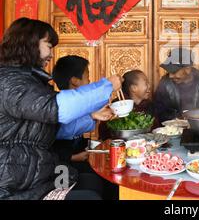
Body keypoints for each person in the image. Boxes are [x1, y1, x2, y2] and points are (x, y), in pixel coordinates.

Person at [0, 18, 122, 200]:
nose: (51, 54)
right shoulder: (11, 83)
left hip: (38, 173)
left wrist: (92, 117)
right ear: (30, 43)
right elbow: (58, 107)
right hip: (15, 183)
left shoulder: (28, 81)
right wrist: (106, 86)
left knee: (95, 182)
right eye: (49, 45)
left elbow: (54, 128)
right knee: (89, 197)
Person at [51, 56, 114, 172]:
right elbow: (63, 132)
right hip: (61, 168)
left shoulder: (81, 105)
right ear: (75, 81)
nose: (90, 81)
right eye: (87, 77)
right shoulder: (60, 106)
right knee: (98, 178)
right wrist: (73, 157)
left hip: (76, 154)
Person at [153, 47, 199, 123]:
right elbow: (159, 110)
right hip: (172, 130)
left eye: (174, 71)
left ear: (188, 68)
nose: (170, 76)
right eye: (169, 71)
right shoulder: (165, 83)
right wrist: (178, 118)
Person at [99, 69, 158, 140]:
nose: (149, 86)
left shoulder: (150, 105)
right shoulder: (117, 106)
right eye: (146, 83)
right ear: (134, 88)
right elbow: (104, 133)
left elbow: (156, 130)